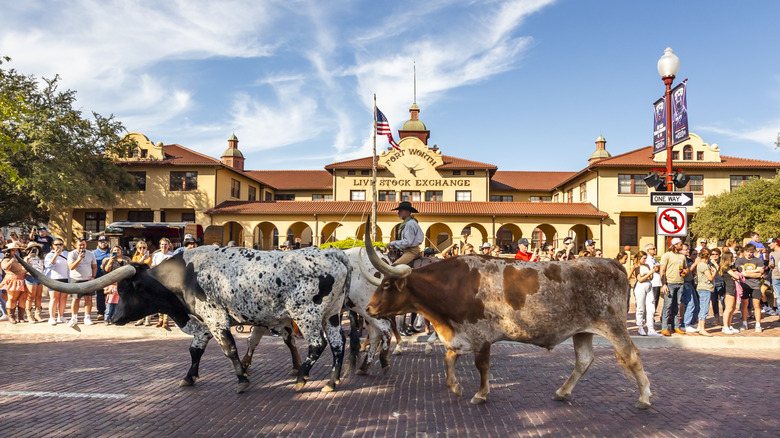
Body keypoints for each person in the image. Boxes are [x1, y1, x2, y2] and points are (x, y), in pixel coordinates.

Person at [660, 237, 688, 336]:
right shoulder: (667, 255)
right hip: (669, 283)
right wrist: (663, 284)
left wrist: (685, 271)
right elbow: (662, 270)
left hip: (680, 283)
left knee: (677, 305)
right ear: (675, 245)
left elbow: (686, 268)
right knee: (667, 306)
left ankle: (675, 326)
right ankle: (664, 327)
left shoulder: (682, 257)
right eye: (680, 244)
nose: (682, 245)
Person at [67, 238, 98, 327]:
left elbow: (94, 267)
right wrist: (79, 259)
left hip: (88, 279)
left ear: (86, 245)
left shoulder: (91, 254)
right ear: (76, 245)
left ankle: (87, 317)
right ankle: (74, 318)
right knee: (76, 299)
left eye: (83, 245)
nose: (82, 247)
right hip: (76, 279)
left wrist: (93, 277)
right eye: (80, 245)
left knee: (88, 299)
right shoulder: (72, 254)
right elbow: (71, 267)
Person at [735, 243, 765, 332]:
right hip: (744, 285)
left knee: (756, 305)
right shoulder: (740, 260)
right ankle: (744, 323)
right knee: (745, 304)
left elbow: (760, 274)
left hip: (755, 285)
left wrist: (748, 273)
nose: (749, 254)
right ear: (744, 252)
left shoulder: (758, 261)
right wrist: (755, 271)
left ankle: (758, 324)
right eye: (747, 252)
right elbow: (742, 273)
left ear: (754, 252)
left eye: (751, 252)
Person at [631, 251, 660, 337]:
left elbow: (650, 278)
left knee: (651, 307)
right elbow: (639, 279)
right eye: (644, 258)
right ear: (639, 258)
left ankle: (651, 328)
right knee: (640, 307)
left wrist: (651, 273)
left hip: (649, 285)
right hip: (640, 286)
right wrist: (649, 273)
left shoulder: (647, 265)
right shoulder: (636, 267)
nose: (645, 260)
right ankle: (640, 326)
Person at [387, 201, 423, 266]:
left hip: (411, 252)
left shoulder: (409, 224)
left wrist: (392, 243)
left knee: (394, 267)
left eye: (400, 211)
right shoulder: (411, 222)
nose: (398, 213)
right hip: (409, 250)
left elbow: (407, 242)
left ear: (407, 212)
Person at [0, 242, 29, 323]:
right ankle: (11, 316)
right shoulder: (6, 259)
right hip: (13, 281)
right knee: (12, 299)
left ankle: (21, 317)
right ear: (9, 251)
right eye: (13, 250)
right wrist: (11, 262)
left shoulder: (21, 259)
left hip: (23, 280)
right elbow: (4, 267)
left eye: (17, 250)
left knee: (22, 299)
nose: (15, 252)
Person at [102, 245, 130, 324]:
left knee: (121, 302)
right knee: (110, 304)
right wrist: (110, 262)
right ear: (111, 252)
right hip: (113, 284)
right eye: (115, 250)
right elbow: (106, 270)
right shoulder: (108, 260)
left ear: (121, 251)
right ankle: (107, 319)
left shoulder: (126, 260)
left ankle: (119, 318)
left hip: (123, 283)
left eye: (118, 250)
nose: (117, 251)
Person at [44, 238, 69, 324]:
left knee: (63, 298)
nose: (59, 246)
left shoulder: (66, 254)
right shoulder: (49, 255)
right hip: (53, 279)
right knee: (54, 298)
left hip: (65, 278)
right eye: (56, 244)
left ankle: (60, 316)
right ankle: (52, 317)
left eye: (61, 244)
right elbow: (49, 266)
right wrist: (56, 255)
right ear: (52, 246)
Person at [151, 238, 174, 327]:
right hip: (158, 279)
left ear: (168, 245)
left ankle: (165, 320)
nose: (164, 246)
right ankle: (160, 320)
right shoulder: (156, 255)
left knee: (166, 300)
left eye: (166, 244)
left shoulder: (172, 254)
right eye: (162, 244)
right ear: (160, 246)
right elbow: (153, 266)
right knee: (159, 300)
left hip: (168, 280)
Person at [694, 248, 716, 336]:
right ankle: (702, 328)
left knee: (702, 306)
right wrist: (714, 272)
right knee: (704, 308)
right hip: (705, 287)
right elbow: (710, 278)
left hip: (702, 287)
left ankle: (699, 326)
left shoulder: (700, 264)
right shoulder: (704, 265)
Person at [131, 240, 152, 326]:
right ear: (137, 249)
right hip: (138, 279)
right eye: (140, 247)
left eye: (144, 247)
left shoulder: (150, 256)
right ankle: (140, 318)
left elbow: (150, 265)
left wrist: (146, 258)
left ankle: (148, 319)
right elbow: (135, 266)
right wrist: (142, 258)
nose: (142, 249)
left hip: (148, 278)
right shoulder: (135, 257)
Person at [24, 242, 45, 323]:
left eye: (36, 248)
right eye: (33, 249)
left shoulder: (40, 258)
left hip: (40, 278)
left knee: (39, 296)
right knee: (30, 297)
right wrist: (28, 257)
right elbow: (23, 267)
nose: (35, 250)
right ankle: (29, 315)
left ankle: (37, 315)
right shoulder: (27, 258)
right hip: (31, 278)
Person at [719, 251, 740, 334]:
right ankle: (725, 326)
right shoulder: (726, 268)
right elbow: (737, 276)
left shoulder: (730, 267)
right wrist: (736, 275)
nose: (733, 259)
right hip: (729, 289)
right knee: (728, 308)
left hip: (733, 288)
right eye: (731, 257)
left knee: (733, 308)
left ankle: (729, 325)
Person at [92, 235, 111, 322]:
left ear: (108, 242)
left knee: (112, 295)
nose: (103, 243)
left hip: (111, 277)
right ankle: (101, 312)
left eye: (105, 241)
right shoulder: (94, 253)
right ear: (98, 243)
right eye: (101, 241)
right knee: (100, 296)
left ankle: (111, 312)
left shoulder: (112, 251)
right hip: (99, 277)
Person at [644, 243, 662, 327]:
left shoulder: (653, 259)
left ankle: (651, 318)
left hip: (657, 283)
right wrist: (658, 267)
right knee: (652, 302)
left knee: (655, 301)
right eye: (653, 249)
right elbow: (654, 269)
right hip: (653, 283)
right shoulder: (647, 259)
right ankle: (649, 319)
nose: (655, 250)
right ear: (648, 250)